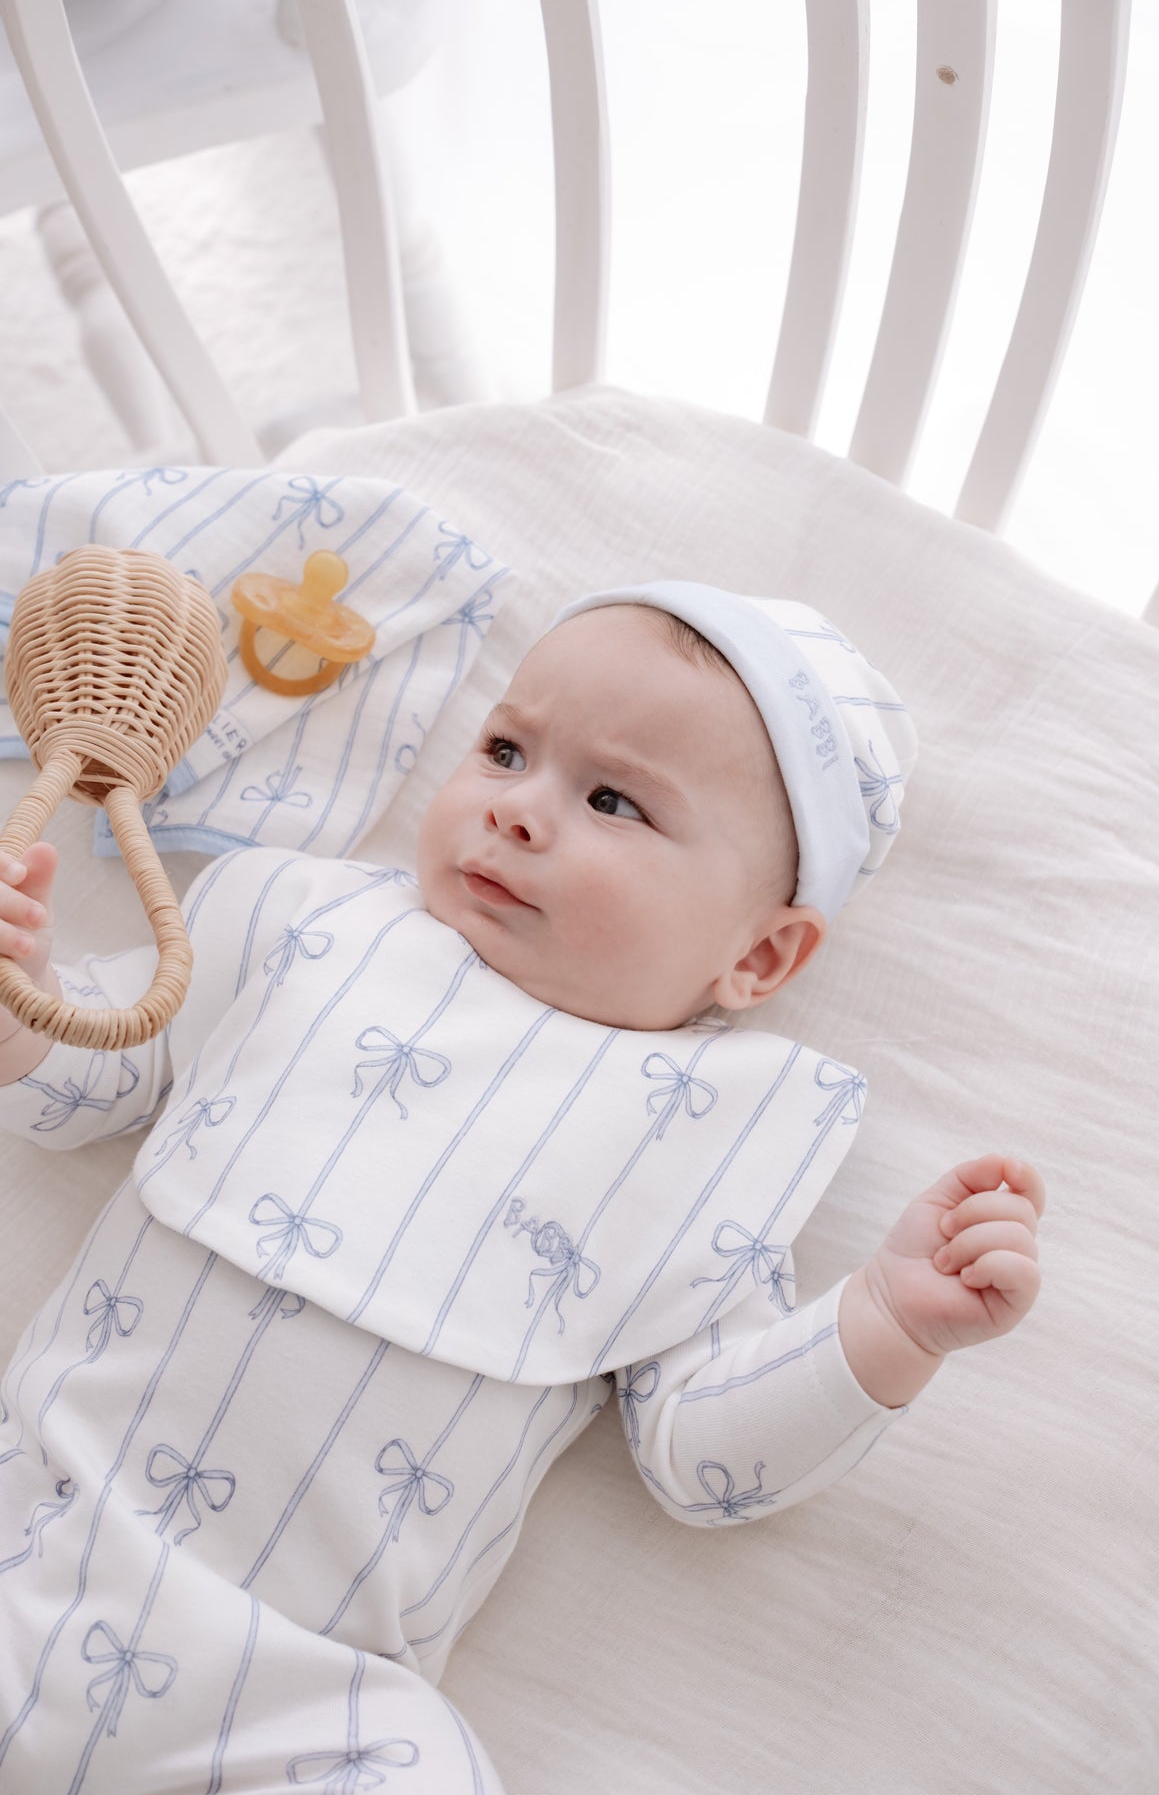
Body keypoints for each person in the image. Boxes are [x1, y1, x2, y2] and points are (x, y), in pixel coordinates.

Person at [0, 582, 1044, 1794]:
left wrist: (884, 1327)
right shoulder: (312, 925)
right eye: (505, 750)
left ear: (760, 954)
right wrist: (26, 1013)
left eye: (612, 800)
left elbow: (705, 1458)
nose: (516, 810)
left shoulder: (709, 1139)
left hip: (299, 1695)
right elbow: (91, 1090)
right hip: (39, 1520)